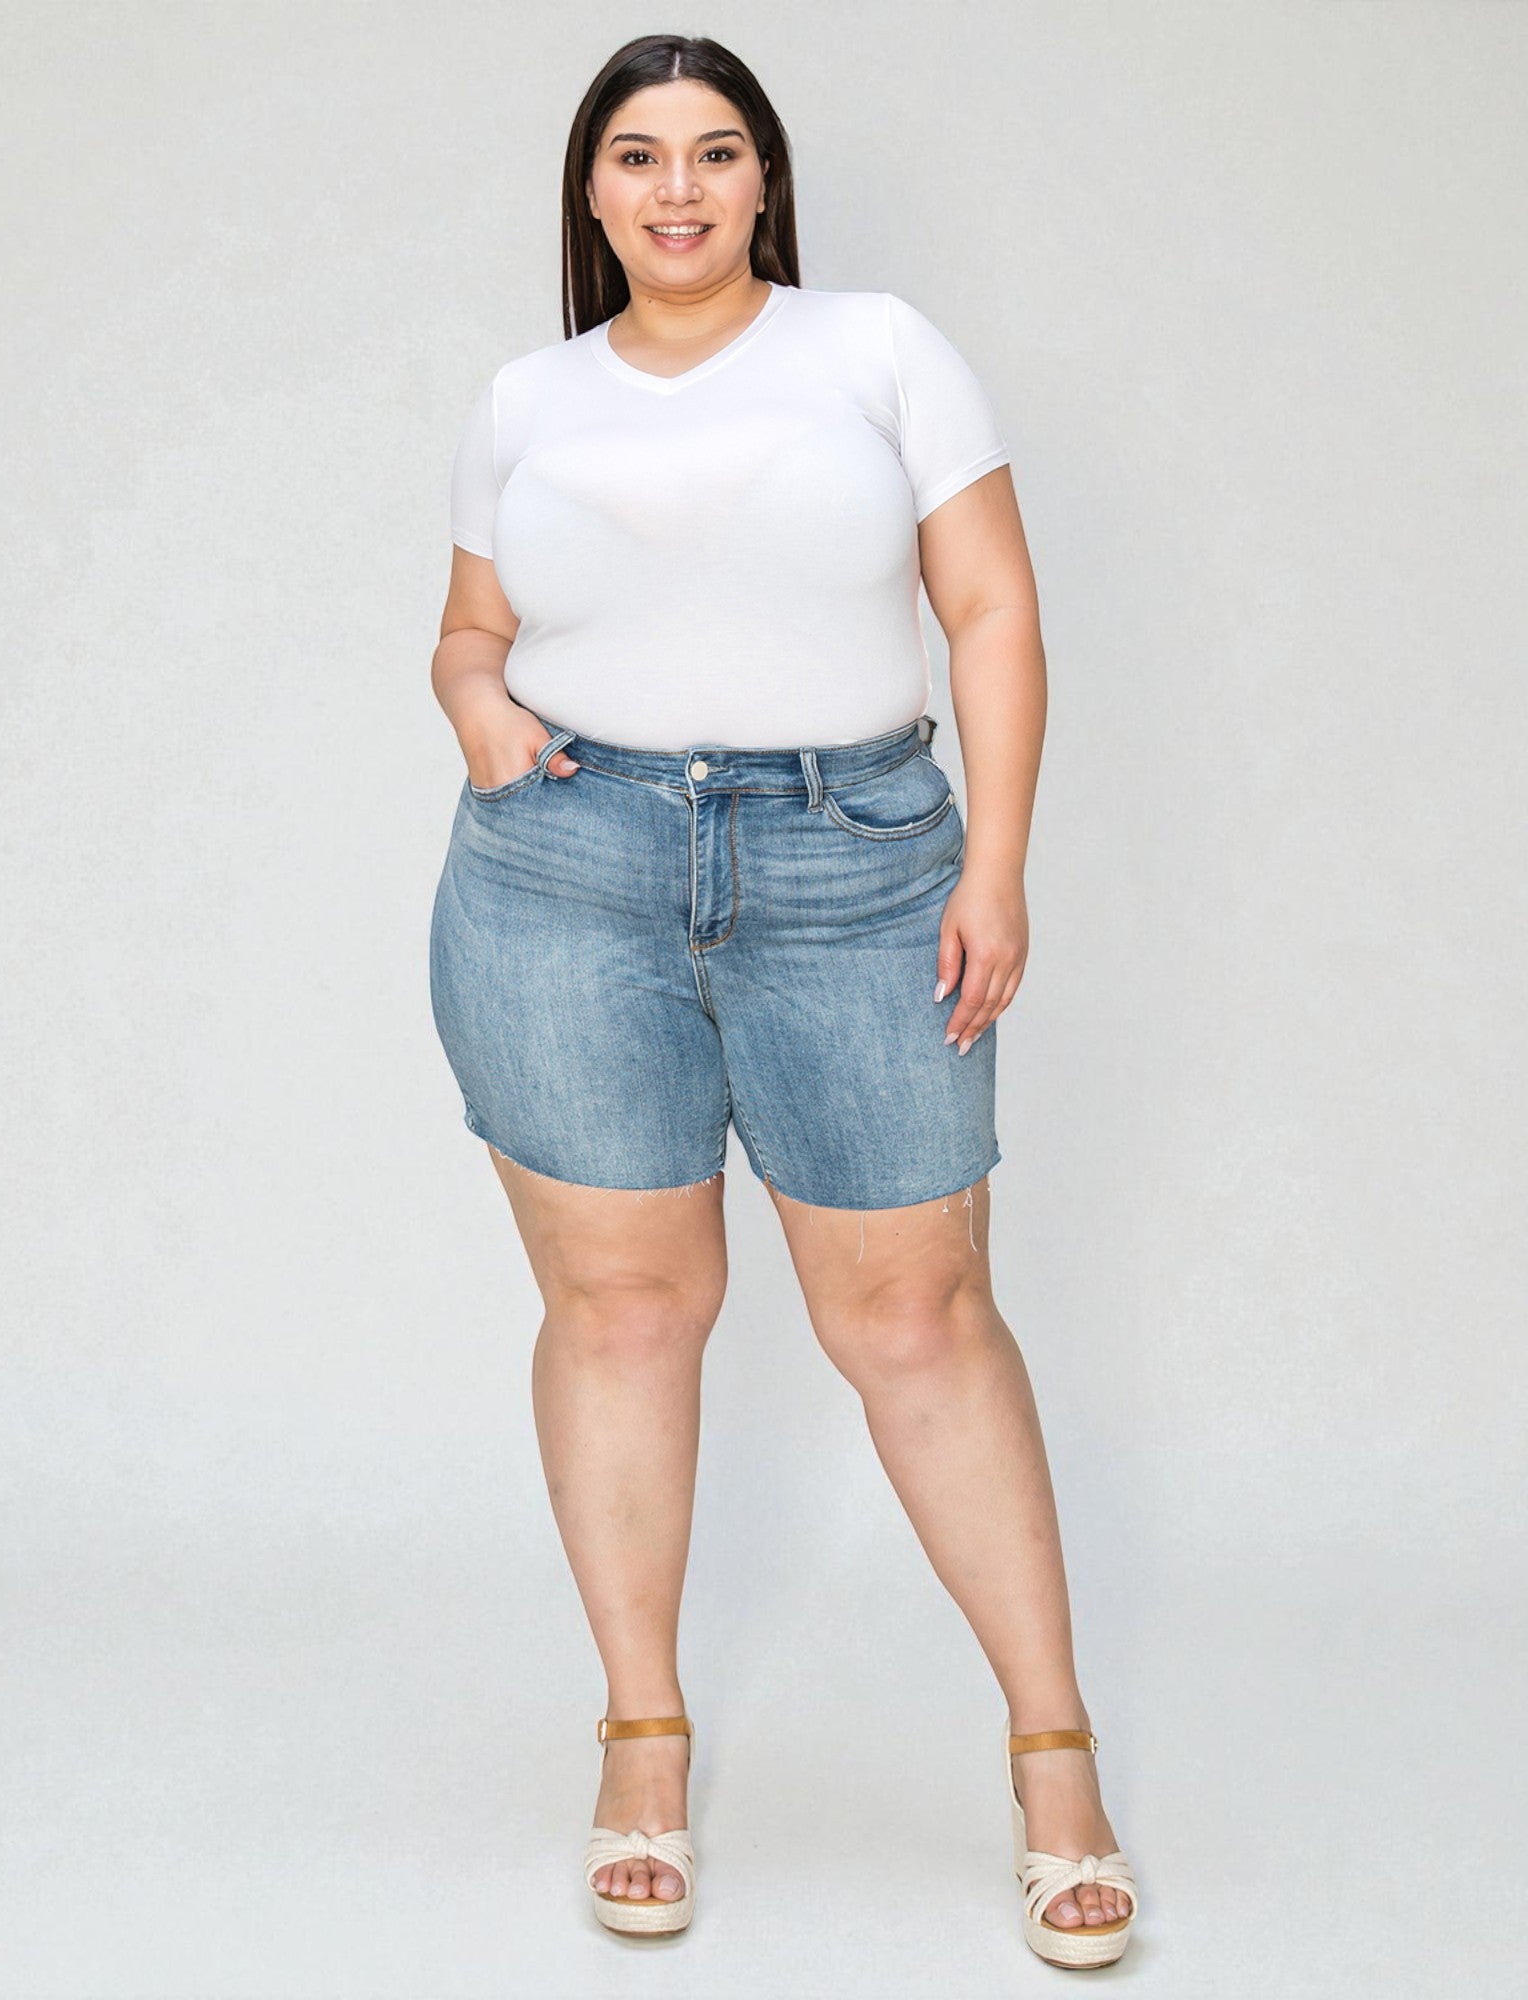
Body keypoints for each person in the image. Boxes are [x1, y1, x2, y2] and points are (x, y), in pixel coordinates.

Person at [427, 32, 1139, 1969]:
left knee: (912, 1318)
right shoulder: (525, 395)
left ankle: (1050, 1755)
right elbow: (472, 627)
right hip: (564, 876)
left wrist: (990, 861)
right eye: (638, 156)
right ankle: (641, 1741)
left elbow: (987, 606)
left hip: (853, 863)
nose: (677, 188)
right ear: (590, 195)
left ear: (762, 184)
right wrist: (479, 708)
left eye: (714, 154)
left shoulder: (877, 351)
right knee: (625, 1307)